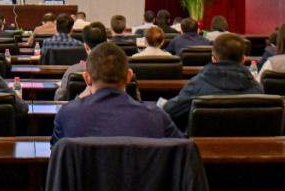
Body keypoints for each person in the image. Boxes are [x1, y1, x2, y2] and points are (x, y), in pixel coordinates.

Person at [51, 43, 184, 145]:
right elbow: (185, 150)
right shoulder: (157, 117)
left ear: (87, 79)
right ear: (129, 76)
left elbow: (57, 156)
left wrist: (78, 99)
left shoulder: (67, 115)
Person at [162, 34, 264, 129]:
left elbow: (169, 111)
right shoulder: (257, 89)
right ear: (243, 60)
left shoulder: (197, 85)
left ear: (214, 59)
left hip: (200, 142)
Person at [54, 22, 109, 101]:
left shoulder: (72, 71)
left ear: (86, 47)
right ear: (107, 42)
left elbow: (59, 98)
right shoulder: (119, 71)